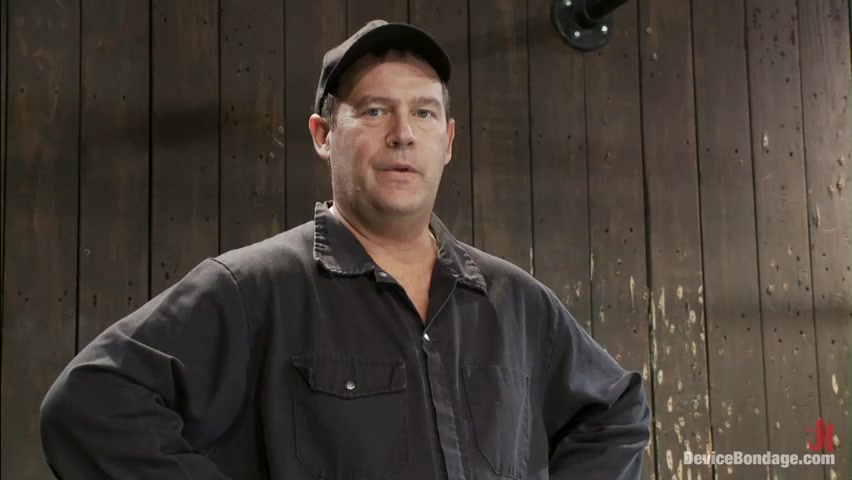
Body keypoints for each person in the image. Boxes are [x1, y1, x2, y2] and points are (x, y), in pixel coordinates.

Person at [40, 19, 651, 479]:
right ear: (323, 134)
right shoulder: (253, 289)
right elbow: (88, 405)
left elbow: (617, 410)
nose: (403, 134)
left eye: (424, 113)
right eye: (374, 110)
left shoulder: (513, 300)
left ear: (448, 141)